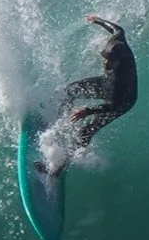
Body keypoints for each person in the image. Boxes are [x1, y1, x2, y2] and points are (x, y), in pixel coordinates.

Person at [55, 14, 137, 161]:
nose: (105, 63)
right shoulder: (117, 41)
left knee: (85, 131)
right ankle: (58, 116)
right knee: (69, 90)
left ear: (120, 60)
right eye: (105, 58)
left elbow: (113, 104)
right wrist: (97, 20)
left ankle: (57, 166)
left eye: (110, 62)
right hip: (105, 83)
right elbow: (117, 29)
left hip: (121, 101)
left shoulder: (122, 78)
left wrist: (87, 111)